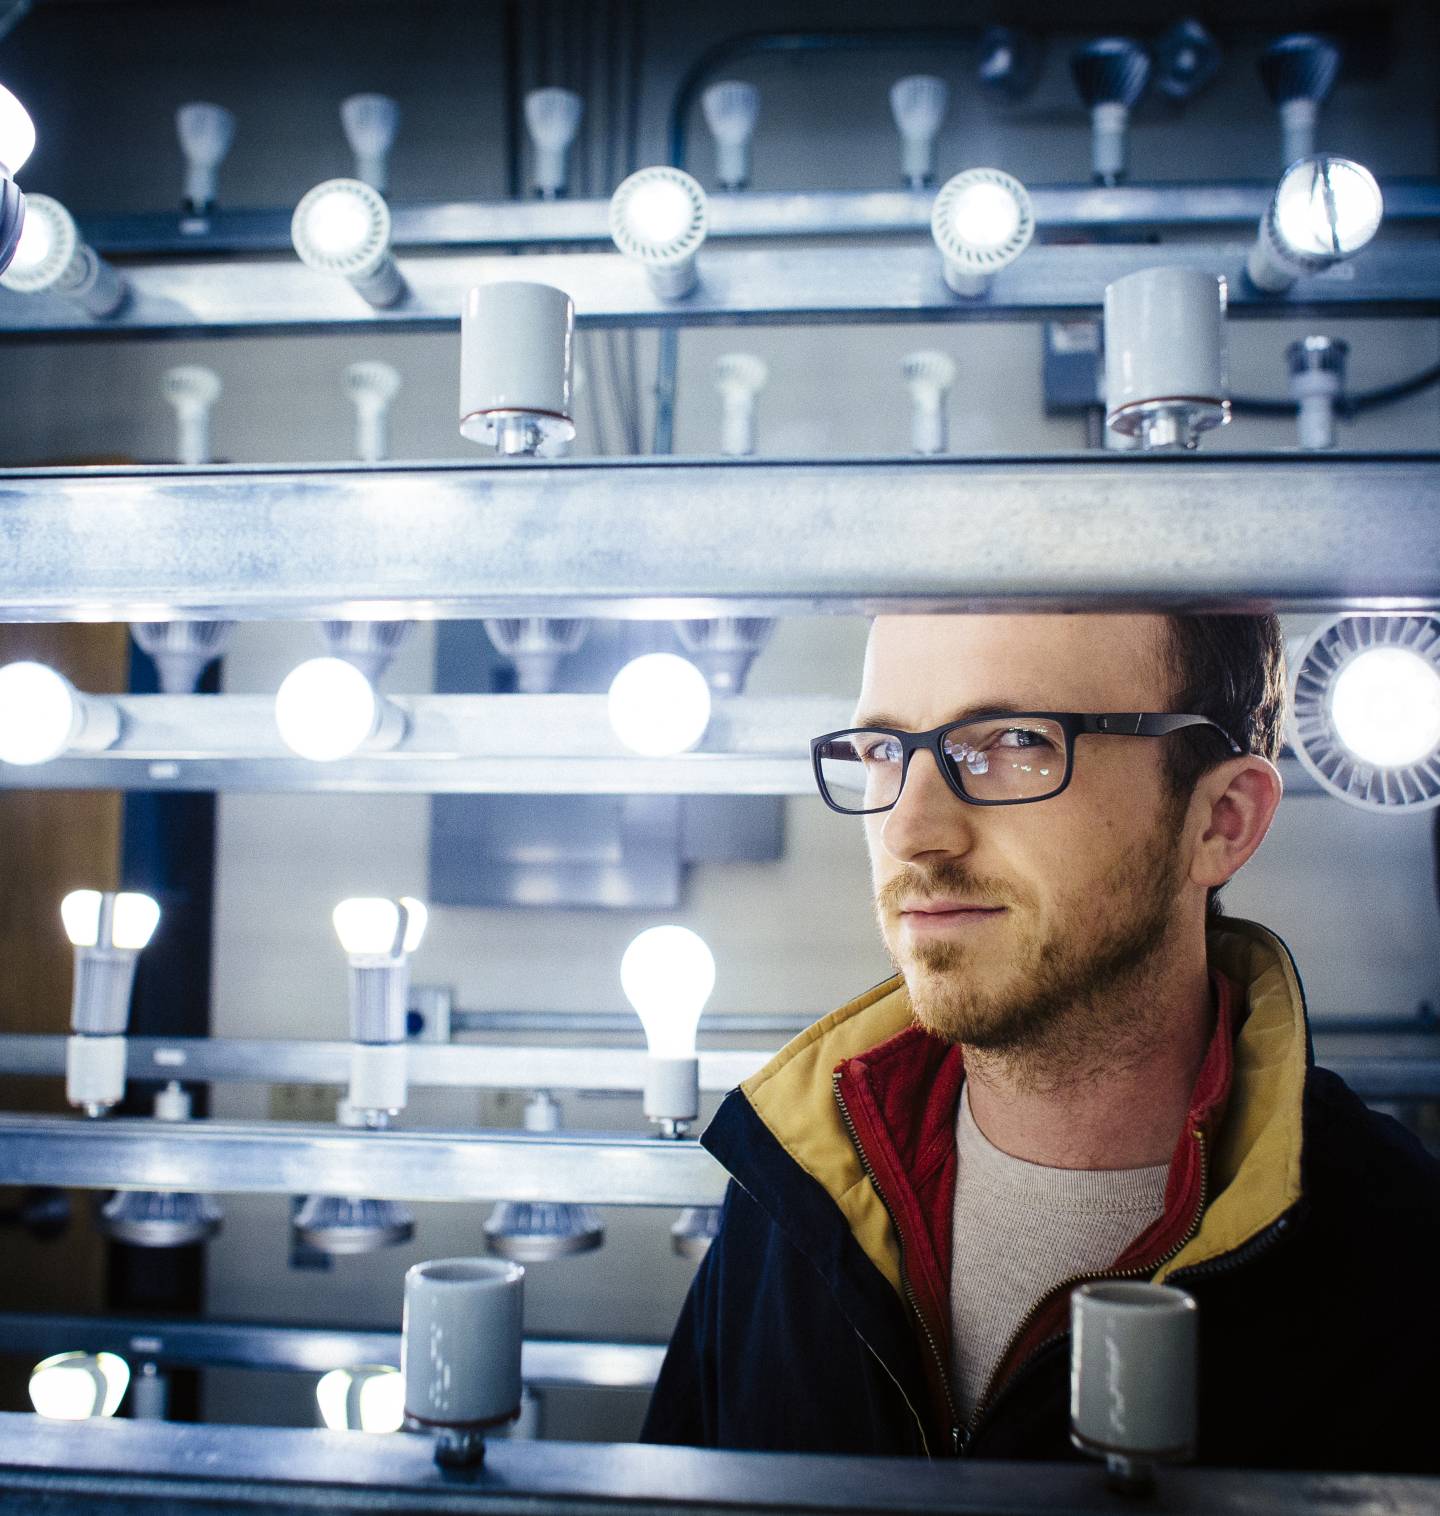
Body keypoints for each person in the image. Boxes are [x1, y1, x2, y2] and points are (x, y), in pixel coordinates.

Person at [640, 612, 1440, 1473]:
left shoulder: (1404, 1268)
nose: (911, 831)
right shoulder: (791, 1190)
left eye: (1015, 741)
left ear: (1222, 822)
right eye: (881, 750)